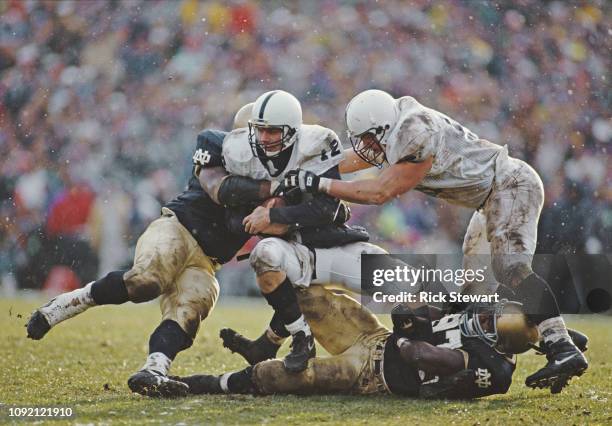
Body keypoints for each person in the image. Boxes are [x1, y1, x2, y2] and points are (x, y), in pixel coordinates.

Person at [281, 89, 588, 393]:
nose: (367, 147)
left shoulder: (416, 133)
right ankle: (541, 331)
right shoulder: (396, 125)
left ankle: (561, 345)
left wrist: (319, 183)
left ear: (386, 128)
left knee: (510, 266)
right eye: (362, 139)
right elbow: (357, 159)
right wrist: (305, 170)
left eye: (370, 139)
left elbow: (379, 192)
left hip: (510, 184)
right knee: (474, 298)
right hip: (489, 199)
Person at [25, 106, 286, 397]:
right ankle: (65, 303)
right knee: (146, 281)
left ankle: (154, 370)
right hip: (178, 228)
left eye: (269, 136)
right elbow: (222, 191)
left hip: (208, 261)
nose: (263, 142)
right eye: (257, 135)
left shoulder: (278, 174)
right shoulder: (214, 142)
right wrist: (273, 190)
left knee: (189, 309)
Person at [202, 90, 396, 373]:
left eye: (272, 131)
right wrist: (263, 211)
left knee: (401, 278)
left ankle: (458, 326)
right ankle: (301, 338)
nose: (263, 138)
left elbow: (325, 210)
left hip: (330, 244)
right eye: (259, 130)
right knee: (264, 254)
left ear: (292, 131)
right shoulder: (238, 152)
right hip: (292, 251)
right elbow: (234, 219)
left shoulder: (316, 144)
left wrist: (276, 215)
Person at [173, 287, 538, 399]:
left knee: (273, 376)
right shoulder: (489, 328)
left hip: (371, 374)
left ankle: (208, 384)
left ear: (499, 340)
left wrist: (408, 332)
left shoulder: (485, 364)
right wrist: (414, 313)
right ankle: (265, 342)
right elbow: (431, 307)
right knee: (308, 297)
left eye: (490, 321)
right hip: (374, 337)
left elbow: (419, 354)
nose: (482, 316)